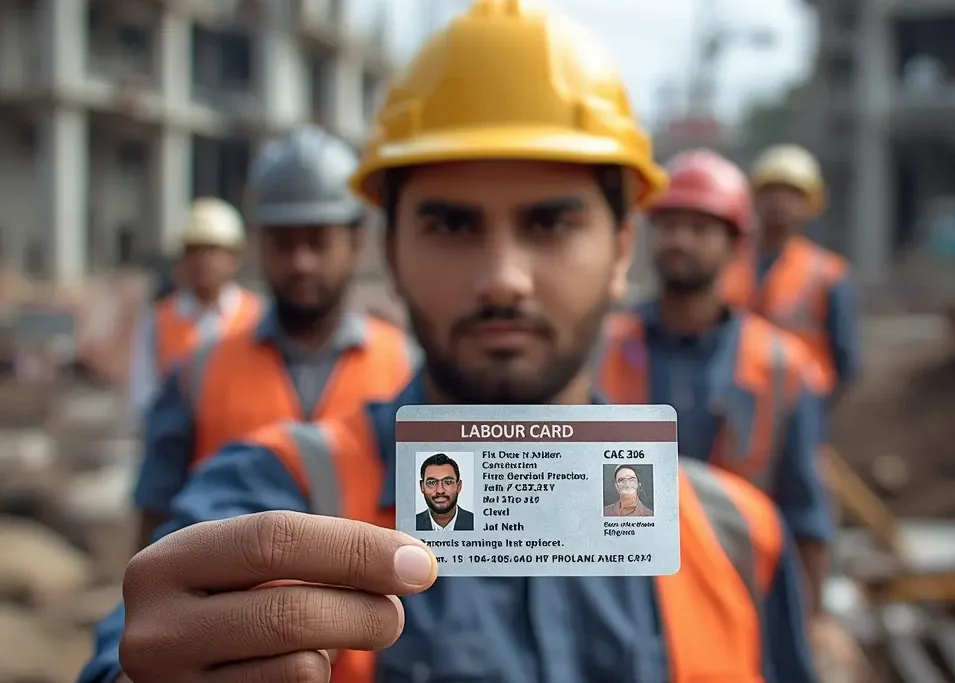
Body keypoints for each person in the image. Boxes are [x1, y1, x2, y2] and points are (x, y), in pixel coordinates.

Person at [78, 3, 817, 683]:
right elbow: (138, 648)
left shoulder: (737, 539)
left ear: (623, 249)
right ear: (391, 253)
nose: (503, 279)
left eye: (550, 223)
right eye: (453, 225)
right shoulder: (273, 496)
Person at [131, 125, 417, 548]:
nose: (302, 262)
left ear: (355, 243)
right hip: (229, 593)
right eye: (284, 243)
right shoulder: (198, 372)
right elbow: (153, 523)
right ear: (259, 245)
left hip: (377, 590)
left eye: (319, 242)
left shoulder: (404, 364)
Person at [597, 149, 832, 614]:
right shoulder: (604, 348)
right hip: (625, 593)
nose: (680, 240)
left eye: (699, 228)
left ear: (735, 244)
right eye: (669, 226)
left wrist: (814, 618)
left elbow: (806, 511)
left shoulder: (783, 365)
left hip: (740, 593)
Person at [721, 144, 861, 406]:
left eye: (792, 193)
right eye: (771, 191)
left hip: (803, 402)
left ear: (810, 204)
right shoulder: (725, 264)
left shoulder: (828, 273)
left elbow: (846, 361)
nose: (779, 201)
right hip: (735, 401)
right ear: (755, 198)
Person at [128, 197, 261, 418]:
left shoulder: (257, 316)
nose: (203, 261)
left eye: (212, 250)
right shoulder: (158, 320)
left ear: (235, 257)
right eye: (194, 251)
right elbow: (143, 397)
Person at [416, 453, 474, 531]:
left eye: (448, 482)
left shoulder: (477, 523)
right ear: (422, 487)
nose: (440, 491)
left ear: (459, 486)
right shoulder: (409, 526)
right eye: (432, 482)